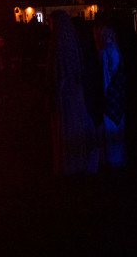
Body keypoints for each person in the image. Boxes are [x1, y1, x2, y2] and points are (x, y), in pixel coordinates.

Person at [47, 11, 98, 175]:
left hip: (65, 95)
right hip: (75, 93)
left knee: (66, 128)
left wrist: (56, 94)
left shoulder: (59, 44)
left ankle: (69, 165)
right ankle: (76, 162)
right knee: (74, 127)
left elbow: (61, 73)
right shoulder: (73, 42)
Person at [97, 23, 126, 168]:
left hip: (109, 92)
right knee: (118, 124)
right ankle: (119, 157)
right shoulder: (117, 49)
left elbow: (104, 77)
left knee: (109, 125)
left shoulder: (103, 52)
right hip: (118, 91)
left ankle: (111, 158)